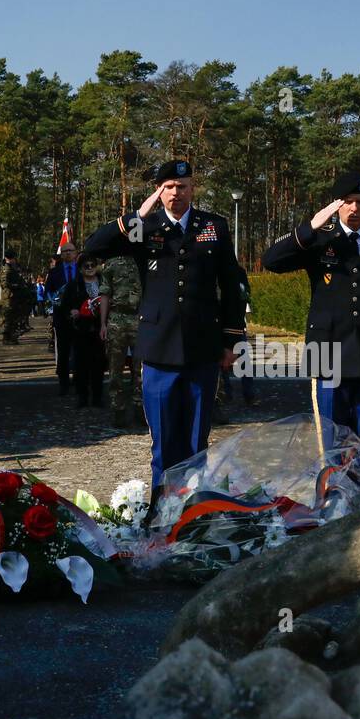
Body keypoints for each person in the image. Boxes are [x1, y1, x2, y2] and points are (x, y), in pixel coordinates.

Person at [84, 159, 244, 494]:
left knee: (196, 438)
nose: (175, 193)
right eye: (168, 187)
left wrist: (232, 341)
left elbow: (231, 284)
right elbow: (95, 246)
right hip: (158, 348)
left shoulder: (213, 225)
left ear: (192, 189)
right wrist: (135, 217)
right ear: (159, 191)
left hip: (203, 346)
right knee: (163, 440)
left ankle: (194, 509)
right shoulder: (146, 226)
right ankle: (163, 508)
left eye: (182, 186)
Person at [263, 170, 360, 455]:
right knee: (330, 441)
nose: (354, 208)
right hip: (328, 353)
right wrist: (309, 228)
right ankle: (333, 496)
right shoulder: (320, 240)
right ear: (336, 204)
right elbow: (271, 260)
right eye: (347, 201)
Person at [98, 252, 144, 427]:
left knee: (141, 369)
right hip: (117, 318)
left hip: (139, 317)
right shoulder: (110, 263)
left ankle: (140, 407)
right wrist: (103, 323)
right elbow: (105, 294)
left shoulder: (144, 260)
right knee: (115, 368)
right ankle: (118, 409)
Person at [65, 255, 107, 408]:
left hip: (99, 329)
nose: (90, 268)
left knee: (99, 365)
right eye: (86, 266)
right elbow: (64, 307)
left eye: (92, 265)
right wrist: (73, 312)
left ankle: (97, 397)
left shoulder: (104, 283)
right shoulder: (73, 285)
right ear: (81, 269)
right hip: (80, 330)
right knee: (81, 365)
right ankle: (82, 397)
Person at [47, 242, 79, 384]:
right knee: (63, 349)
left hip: (80, 316)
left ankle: (80, 379)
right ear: (61, 254)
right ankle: (63, 381)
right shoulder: (54, 272)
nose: (67, 253)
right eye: (65, 251)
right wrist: (56, 301)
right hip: (61, 315)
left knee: (80, 349)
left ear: (75, 253)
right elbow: (49, 291)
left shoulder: (84, 269)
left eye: (70, 250)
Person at [0, 250, 28, 344]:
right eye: (14, 258)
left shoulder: (12, 268)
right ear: (10, 258)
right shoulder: (6, 269)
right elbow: (4, 283)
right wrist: (16, 286)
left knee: (14, 317)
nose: (15, 260)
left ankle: (11, 336)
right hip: (9, 297)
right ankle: (6, 338)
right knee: (8, 317)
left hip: (14, 296)